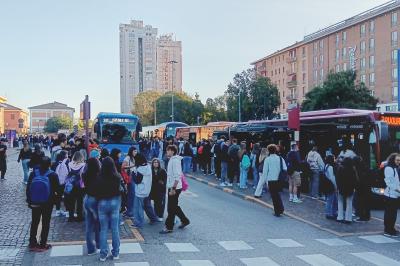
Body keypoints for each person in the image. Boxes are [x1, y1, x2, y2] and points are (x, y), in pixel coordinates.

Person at [27, 156, 60, 252]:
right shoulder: (53, 175)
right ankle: (43, 243)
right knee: (46, 223)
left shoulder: (33, 173)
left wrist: (29, 201)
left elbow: (28, 188)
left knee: (35, 222)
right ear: (50, 164)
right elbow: (57, 190)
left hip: (35, 202)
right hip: (47, 203)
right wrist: (55, 202)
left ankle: (32, 242)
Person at [160, 145, 190, 234]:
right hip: (173, 186)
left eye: (168, 150)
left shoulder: (175, 161)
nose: (167, 152)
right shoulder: (172, 160)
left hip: (174, 187)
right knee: (174, 207)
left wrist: (173, 189)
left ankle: (169, 227)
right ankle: (185, 220)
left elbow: (177, 176)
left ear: (173, 151)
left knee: (171, 208)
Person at [96, 157, 122, 262]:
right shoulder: (117, 177)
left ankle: (103, 254)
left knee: (103, 229)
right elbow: (120, 191)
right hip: (114, 202)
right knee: (115, 229)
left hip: (102, 203)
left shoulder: (99, 177)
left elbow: (96, 192)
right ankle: (115, 253)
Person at [132, 154, 157, 228]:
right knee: (146, 206)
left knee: (138, 208)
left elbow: (137, 181)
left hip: (140, 192)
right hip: (147, 191)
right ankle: (152, 218)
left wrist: (133, 173)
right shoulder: (148, 166)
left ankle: (138, 223)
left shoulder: (140, 169)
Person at [82, 157, 101, 256]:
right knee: (98, 223)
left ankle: (90, 249)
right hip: (95, 200)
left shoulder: (85, 174)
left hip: (87, 198)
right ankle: (98, 245)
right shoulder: (98, 176)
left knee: (89, 225)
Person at [263, 144, 286, 217]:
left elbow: (265, 172)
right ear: (275, 150)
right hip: (279, 179)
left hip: (271, 180)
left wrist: (265, 181)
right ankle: (281, 209)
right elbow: (285, 168)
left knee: (274, 196)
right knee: (277, 194)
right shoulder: (280, 158)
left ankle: (277, 211)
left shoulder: (267, 159)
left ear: (269, 151)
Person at [336, 157, 358, 224]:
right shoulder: (353, 169)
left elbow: (337, 179)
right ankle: (348, 219)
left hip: (341, 188)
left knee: (340, 202)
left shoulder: (340, 168)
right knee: (349, 203)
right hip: (350, 188)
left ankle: (340, 217)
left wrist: (338, 187)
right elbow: (355, 180)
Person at [65, 151, 86, 222]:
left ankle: (71, 217)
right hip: (80, 185)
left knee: (71, 201)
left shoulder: (69, 164)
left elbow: (67, 173)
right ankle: (79, 216)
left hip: (71, 184)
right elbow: (84, 175)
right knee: (80, 201)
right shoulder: (83, 165)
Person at [383, 153, 400, 236]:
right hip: (390, 195)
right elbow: (389, 182)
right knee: (390, 213)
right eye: (397, 160)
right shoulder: (389, 168)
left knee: (393, 213)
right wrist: (398, 189)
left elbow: (396, 182)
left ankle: (391, 228)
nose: (398, 162)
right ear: (393, 160)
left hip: (395, 194)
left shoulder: (394, 168)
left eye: (399, 160)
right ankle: (387, 230)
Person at [53, 150, 69, 217]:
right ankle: (67, 211)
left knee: (58, 197)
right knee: (66, 197)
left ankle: (57, 210)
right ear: (65, 156)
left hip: (56, 183)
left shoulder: (55, 163)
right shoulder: (67, 163)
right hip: (64, 182)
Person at [122, 146, 137, 219]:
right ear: (131, 151)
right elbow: (123, 167)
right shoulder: (127, 158)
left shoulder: (134, 158)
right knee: (131, 195)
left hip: (134, 177)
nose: (135, 152)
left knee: (132, 195)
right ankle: (130, 212)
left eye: (136, 151)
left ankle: (130, 211)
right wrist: (133, 166)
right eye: (134, 151)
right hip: (130, 177)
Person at [324, 155, 337, 220]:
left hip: (327, 185)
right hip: (331, 185)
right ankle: (329, 213)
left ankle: (332, 212)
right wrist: (335, 186)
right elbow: (332, 178)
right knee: (331, 200)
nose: (335, 159)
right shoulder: (331, 167)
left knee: (332, 199)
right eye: (334, 158)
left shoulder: (326, 166)